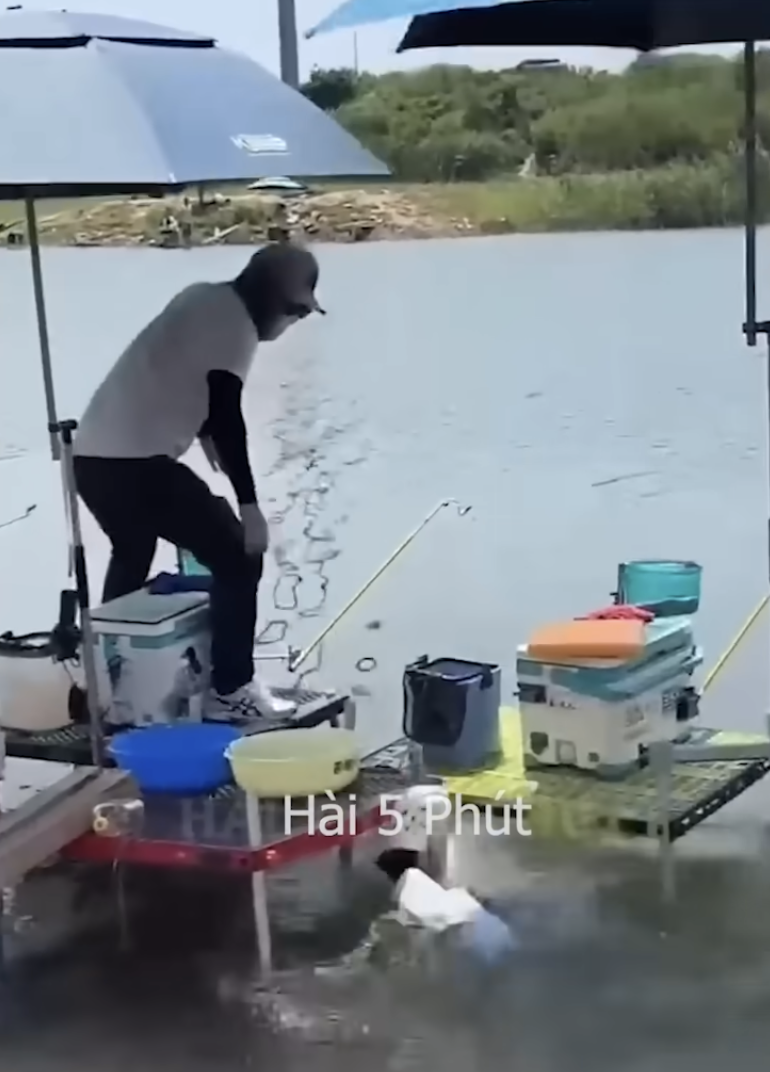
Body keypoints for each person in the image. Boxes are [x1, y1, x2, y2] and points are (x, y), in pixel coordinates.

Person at [73, 242, 325, 720]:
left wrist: (204, 432)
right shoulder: (237, 326)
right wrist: (249, 506)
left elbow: (183, 372)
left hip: (90, 461)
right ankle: (231, 690)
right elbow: (227, 412)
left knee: (132, 550)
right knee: (239, 555)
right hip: (138, 466)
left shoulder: (201, 296)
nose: (293, 322)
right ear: (272, 298)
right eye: (296, 311)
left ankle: (109, 683)